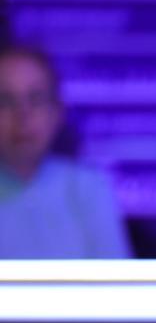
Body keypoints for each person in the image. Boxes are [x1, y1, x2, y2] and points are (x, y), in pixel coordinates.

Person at [0, 46, 131, 258]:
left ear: (57, 112)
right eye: (5, 101)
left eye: (36, 99)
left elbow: (115, 276)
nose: (22, 115)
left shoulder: (89, 186)